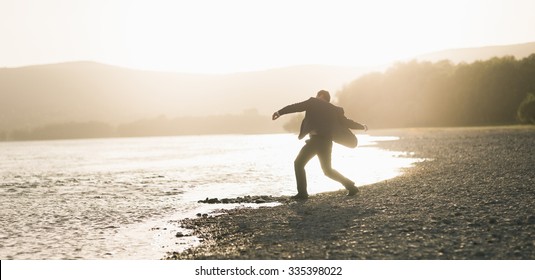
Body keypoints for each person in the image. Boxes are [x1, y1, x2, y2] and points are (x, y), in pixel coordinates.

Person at [272, 90, 368, 199]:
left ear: (320, 95)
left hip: (315, 141)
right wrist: (362, 126)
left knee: (298, 163)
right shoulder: (335, 110)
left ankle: (302, 193)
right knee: (328, 170)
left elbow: (295, 107)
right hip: (327, 142)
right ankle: (351, 186)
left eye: (317, 95)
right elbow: (347, 123)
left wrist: (279, 112)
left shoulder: (313, 102)